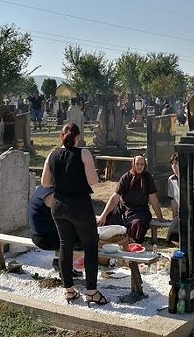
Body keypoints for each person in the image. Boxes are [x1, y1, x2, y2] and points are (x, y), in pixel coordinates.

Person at [40, 123, 106, 306]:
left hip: (59, 205)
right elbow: (93, 181)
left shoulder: (51, 155)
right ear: (78, 137)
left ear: (61, 136)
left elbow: (45, 183)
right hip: (79, 205)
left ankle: (69, 290)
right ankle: (91, 292)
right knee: (90, 246)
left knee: (65, 246)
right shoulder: (83, 153)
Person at [97, 155, 166, 244]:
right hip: (123, 210)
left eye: (142, 164)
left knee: (137, 224)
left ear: (145, 165)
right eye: (137, 164)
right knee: (107, 220)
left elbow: (153, 199)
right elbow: (114, 198)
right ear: (133, 164)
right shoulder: (126, 177)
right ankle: (109, 243)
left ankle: (130, 244)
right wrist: (103, 215)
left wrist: (160, 218)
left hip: (140, 211)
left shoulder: (147, 178)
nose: (139, 167)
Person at [166, 153, 180, 243]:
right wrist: (174, 217)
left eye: (176, 163)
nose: (174, 166)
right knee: (171, 236)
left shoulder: (190, 178)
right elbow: (173, 200)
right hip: (179, 214)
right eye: (172, 164)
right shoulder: (171, 179)